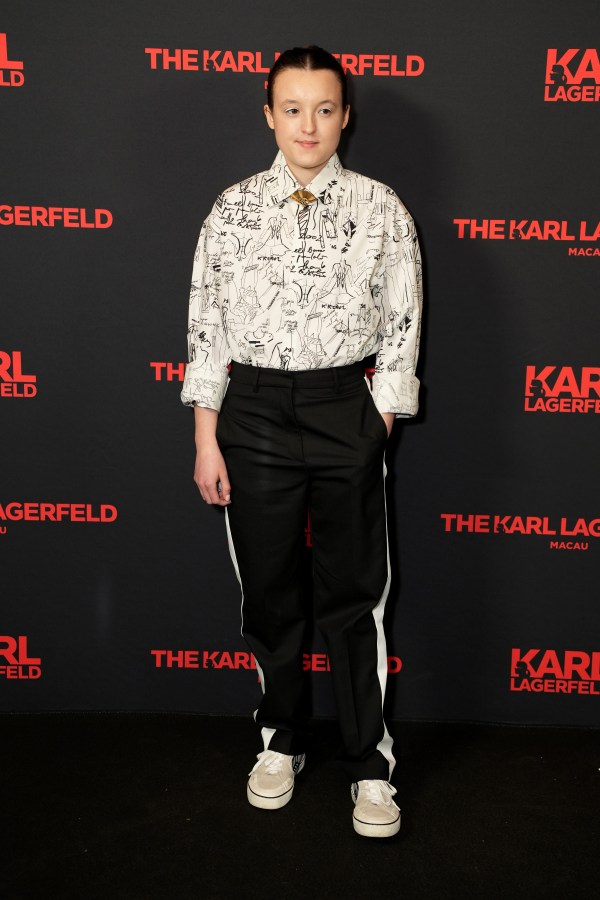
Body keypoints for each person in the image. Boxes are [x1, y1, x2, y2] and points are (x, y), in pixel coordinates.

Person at [181, 45, 423, 838]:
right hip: (249, 413)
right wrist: (206, 438)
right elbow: (206, 330)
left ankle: (368, 763)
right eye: (293, 108)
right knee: (271, 596)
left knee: (356, 603)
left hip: (341, 406)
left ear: (345, 114)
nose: (309, 124)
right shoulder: (230, 209)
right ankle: (279, 739)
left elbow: (402, 328)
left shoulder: (384, 209)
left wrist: (374, 424)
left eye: (324, 108)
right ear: (269, 114)